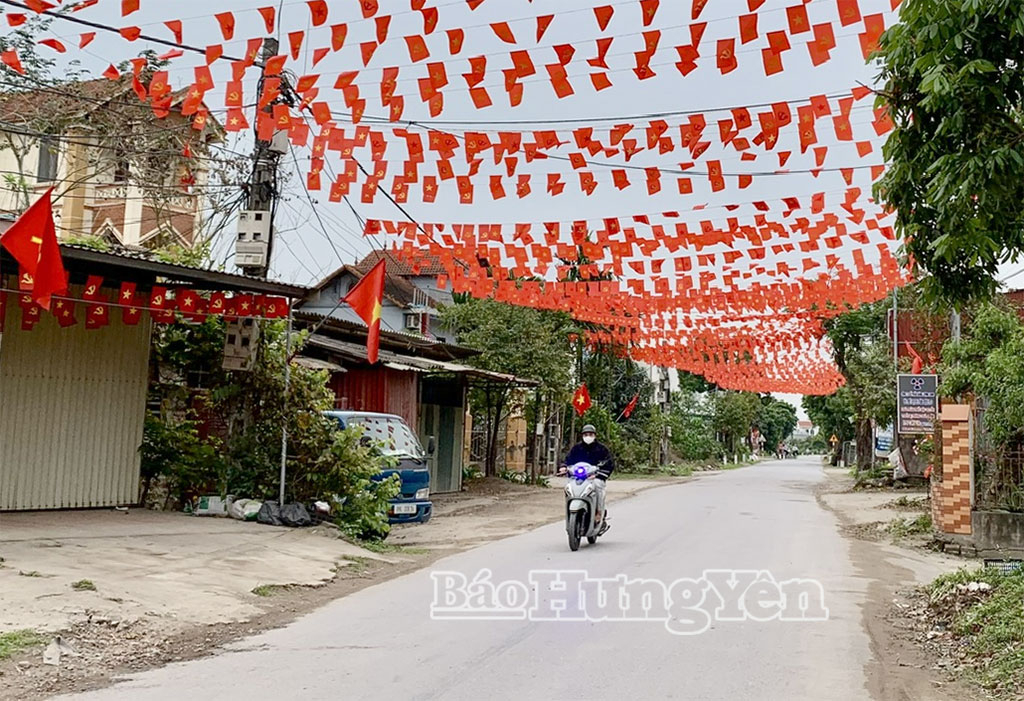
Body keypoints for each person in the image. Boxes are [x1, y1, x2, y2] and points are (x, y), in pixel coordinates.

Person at [561, 424, 614, 534]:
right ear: (582, 436)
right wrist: (563, 467)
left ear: (595, 435)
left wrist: (598, 474)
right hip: (577, 477)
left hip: (595, 477)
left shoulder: (602, 449)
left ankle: (599, 513)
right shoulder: (577, 448)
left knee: (598, 486)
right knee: (568, 487)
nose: (588, 436)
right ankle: (569, 513)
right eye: (585, 434)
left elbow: (609, 463)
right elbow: (568, 460)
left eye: (590, 434)